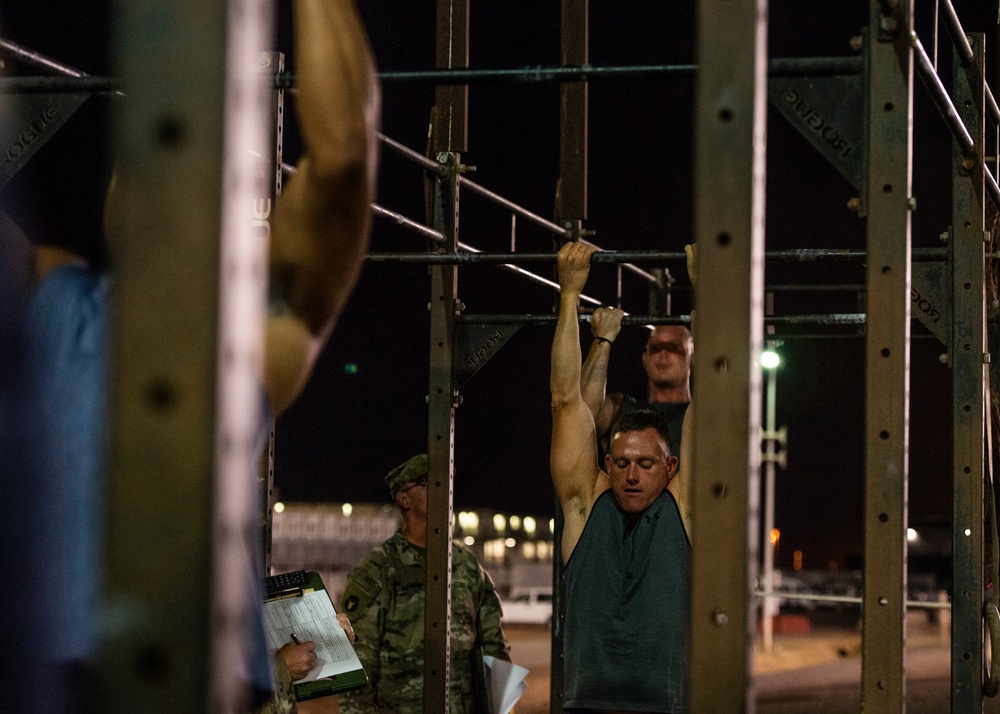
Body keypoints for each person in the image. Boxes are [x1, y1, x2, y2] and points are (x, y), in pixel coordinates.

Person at [7, 0, 381, 710]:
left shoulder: (251, 330)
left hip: (198, 677)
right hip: (51, 675)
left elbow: (342, 160)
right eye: (142, 153)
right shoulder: (47, 290)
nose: (158, 177)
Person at [550, 241, 691, 713]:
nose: (631, 475)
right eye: (621, 463)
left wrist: (708, 296)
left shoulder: (680, 508)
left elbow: (716, 398)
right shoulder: (585, 508)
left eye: (646, 464)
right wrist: (570, 294)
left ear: (669, 468)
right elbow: (568, 401)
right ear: (607, 465)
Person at [339, 454, 510, 714]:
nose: (443, 488)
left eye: (446, 481)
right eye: (429, 482)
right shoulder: (379, 569)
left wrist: (503, 709)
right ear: (403, 498)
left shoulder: (468, 567)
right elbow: (357, 666)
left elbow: (496, 653)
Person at [581, 307, 693, 461]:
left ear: (692, 359)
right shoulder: (621, 410)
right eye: (655, 348)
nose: (663, 354)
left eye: (673, 348)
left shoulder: (704, 413)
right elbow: (581, 415)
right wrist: (603, 339)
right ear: (644, 360)